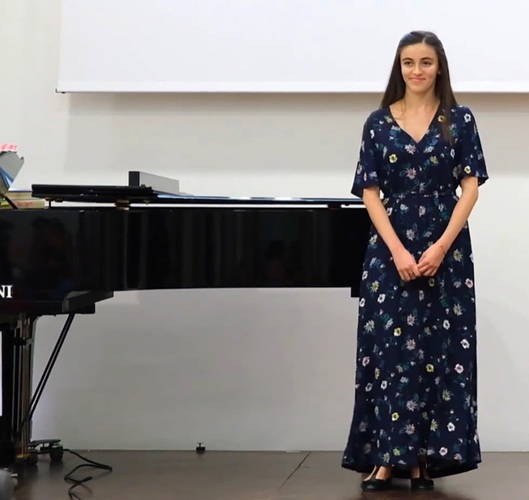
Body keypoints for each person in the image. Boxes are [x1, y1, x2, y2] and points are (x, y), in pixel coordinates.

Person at [341, 31, 488, 491]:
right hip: (391, 250)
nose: (417, 70)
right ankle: (387, 458)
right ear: (399, 67)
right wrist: (399, 251)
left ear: (438, 66)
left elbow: (470, 188)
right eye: (409, 62)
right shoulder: (378, 122)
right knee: (389, 354)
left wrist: (441, 247)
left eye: (426, 62)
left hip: (447, 249)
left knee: (439, 352)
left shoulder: (459, 119)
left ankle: (425, 458)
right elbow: (369, 192)